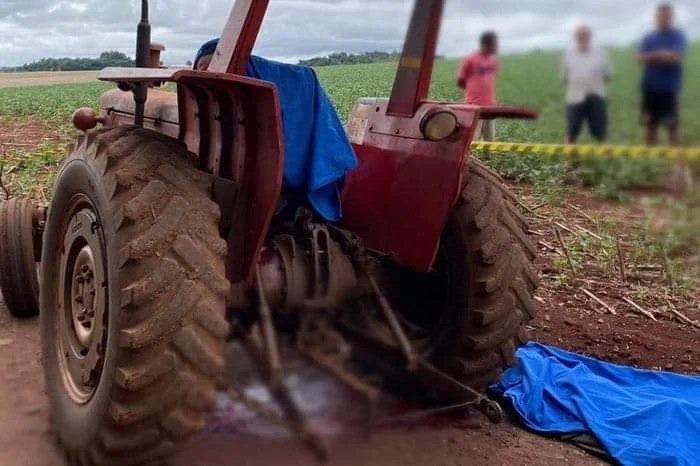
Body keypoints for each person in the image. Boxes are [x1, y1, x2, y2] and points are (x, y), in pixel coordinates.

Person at [638, 3, 687, 146]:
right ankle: (650, 164)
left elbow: (677, 57)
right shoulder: (648, 37)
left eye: (666, 16)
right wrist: (661, 54)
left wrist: (652, 56)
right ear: (656, 17)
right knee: (650, 127)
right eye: (660, 16)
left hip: (670, 89)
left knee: (673, 128)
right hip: (649, 88)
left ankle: (677, 164)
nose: (663, 18)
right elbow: (639, 58)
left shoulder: (678, 36)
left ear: (671, 17)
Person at [561, 25, 613, 144]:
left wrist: (597, 89)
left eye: (585, 35)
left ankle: (603, 158)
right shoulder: (569, 54)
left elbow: (607, 75)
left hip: (596, 96)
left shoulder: (600, 53)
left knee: (600, 132)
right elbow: (564, 78)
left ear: (590, 36)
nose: (582, 38)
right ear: (576, 38)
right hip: (575, 98)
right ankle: (569, 162)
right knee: (571, 131)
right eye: (580, 36)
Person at [457, 31, 499, 141]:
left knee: (490, 140)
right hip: (473, 107)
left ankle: (487, 158)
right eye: (495, 44)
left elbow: (491, 81)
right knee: (472, 141)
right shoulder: (470, 59)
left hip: (491, 107)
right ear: (486, 44)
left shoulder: (494, 60)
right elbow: (460, 81)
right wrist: (474, 94)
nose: (497, 46)